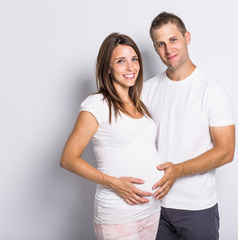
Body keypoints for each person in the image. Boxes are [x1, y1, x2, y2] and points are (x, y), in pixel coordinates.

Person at [141, 12, 236, 240]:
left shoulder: (211, 90)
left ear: (187, 37)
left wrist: (179, 170)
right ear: (155, 49)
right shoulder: (146, 91)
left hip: (197, 207)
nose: (168, 49)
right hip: (153, 205)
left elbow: (226, 151)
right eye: (160, 44)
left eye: (173, 40)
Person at [60, 33, 163, 240]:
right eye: (120, 61)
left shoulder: (140, 106)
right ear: (108, 68)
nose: (130, 67)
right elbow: (68, 159)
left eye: (134, 59)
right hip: (119, 216)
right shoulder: (97, 104)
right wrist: (113, 182)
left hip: (151, 212)